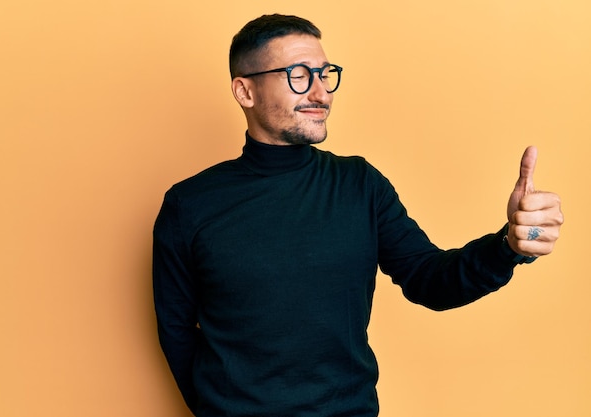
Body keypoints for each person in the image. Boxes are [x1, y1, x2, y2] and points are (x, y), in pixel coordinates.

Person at [152, 14, 563, 417]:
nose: (321, 94)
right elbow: (176, 331)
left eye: (325, 74)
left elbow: (431, 280)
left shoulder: (359, 185)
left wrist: (507, 246)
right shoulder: (189, 205)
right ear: (245, 91)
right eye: (299, 75)